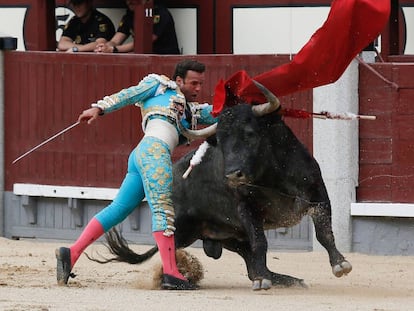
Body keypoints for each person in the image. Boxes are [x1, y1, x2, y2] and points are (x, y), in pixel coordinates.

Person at [55, 59, 217, 290]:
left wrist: (244, 102)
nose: (198, 88)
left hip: (142, 154)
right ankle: (171, 274)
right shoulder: (160, 85)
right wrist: (99, 108)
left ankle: (70, 253)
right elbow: (129, 94)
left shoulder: (191, 111)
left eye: (201, 84)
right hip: (154, 152)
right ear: (179, 80)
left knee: (118, 209)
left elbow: (216, 113)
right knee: (163, 209)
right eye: (194, 83)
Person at [94, 0, 180, 54]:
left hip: (164, 59)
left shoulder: (160, 12)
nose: (129, 1)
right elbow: (116, 40)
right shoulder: (129, 15)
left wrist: (113, 49)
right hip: (143, 58)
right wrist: (103, 47)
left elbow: (143, 42)